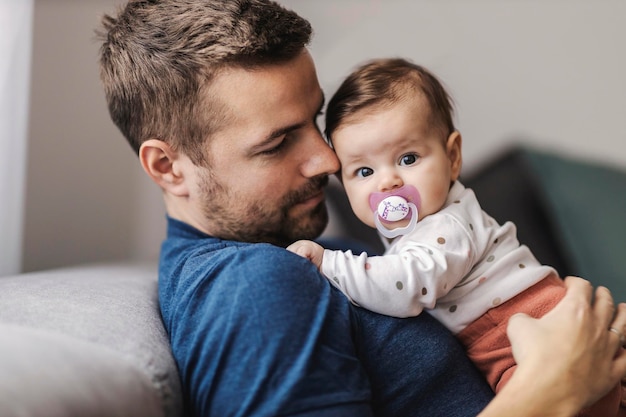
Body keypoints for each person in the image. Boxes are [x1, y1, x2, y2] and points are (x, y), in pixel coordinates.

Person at [96, 1, 626, 416]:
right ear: (168, 167)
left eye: (316, 122)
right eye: (277, 143)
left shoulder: (292, 254)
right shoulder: (254, 286)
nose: (328, 160)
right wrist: (551, 391)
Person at [287, 58, 623, 416]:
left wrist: (329, 263)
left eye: (408, 158)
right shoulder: (421, 228)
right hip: (507, 331)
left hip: (523, 324)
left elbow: (406, 285)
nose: (388, 182)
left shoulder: (447, 226)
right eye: (364, 170)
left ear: (452, 156)